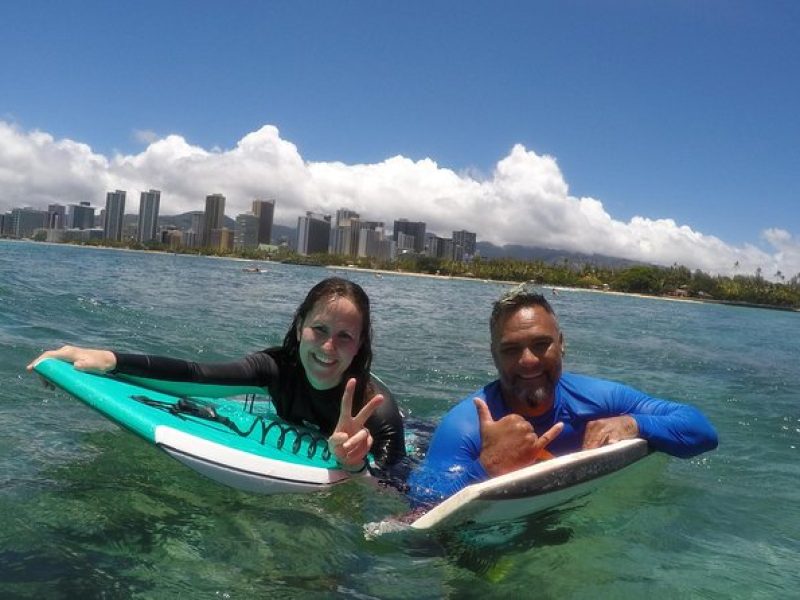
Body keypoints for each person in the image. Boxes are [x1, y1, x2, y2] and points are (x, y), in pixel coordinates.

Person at [27, 277, 406, 474]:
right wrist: (108, 358)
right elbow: (197, 374)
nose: (327, 348)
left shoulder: (377, 413)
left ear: (359, 347)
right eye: (319, 330)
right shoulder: (277, 368)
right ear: (300, 326)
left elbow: (392, 488)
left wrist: (353, 463)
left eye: (344, 337)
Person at [407, 287, 718, 507]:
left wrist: (633, 424)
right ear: (493, 355)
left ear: (562, 344)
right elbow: (421, 502)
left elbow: (701, 431)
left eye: (541, 344)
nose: (528, 360)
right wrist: (486, 466)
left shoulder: (597, 399)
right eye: (511, 349)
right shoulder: (465, 425)